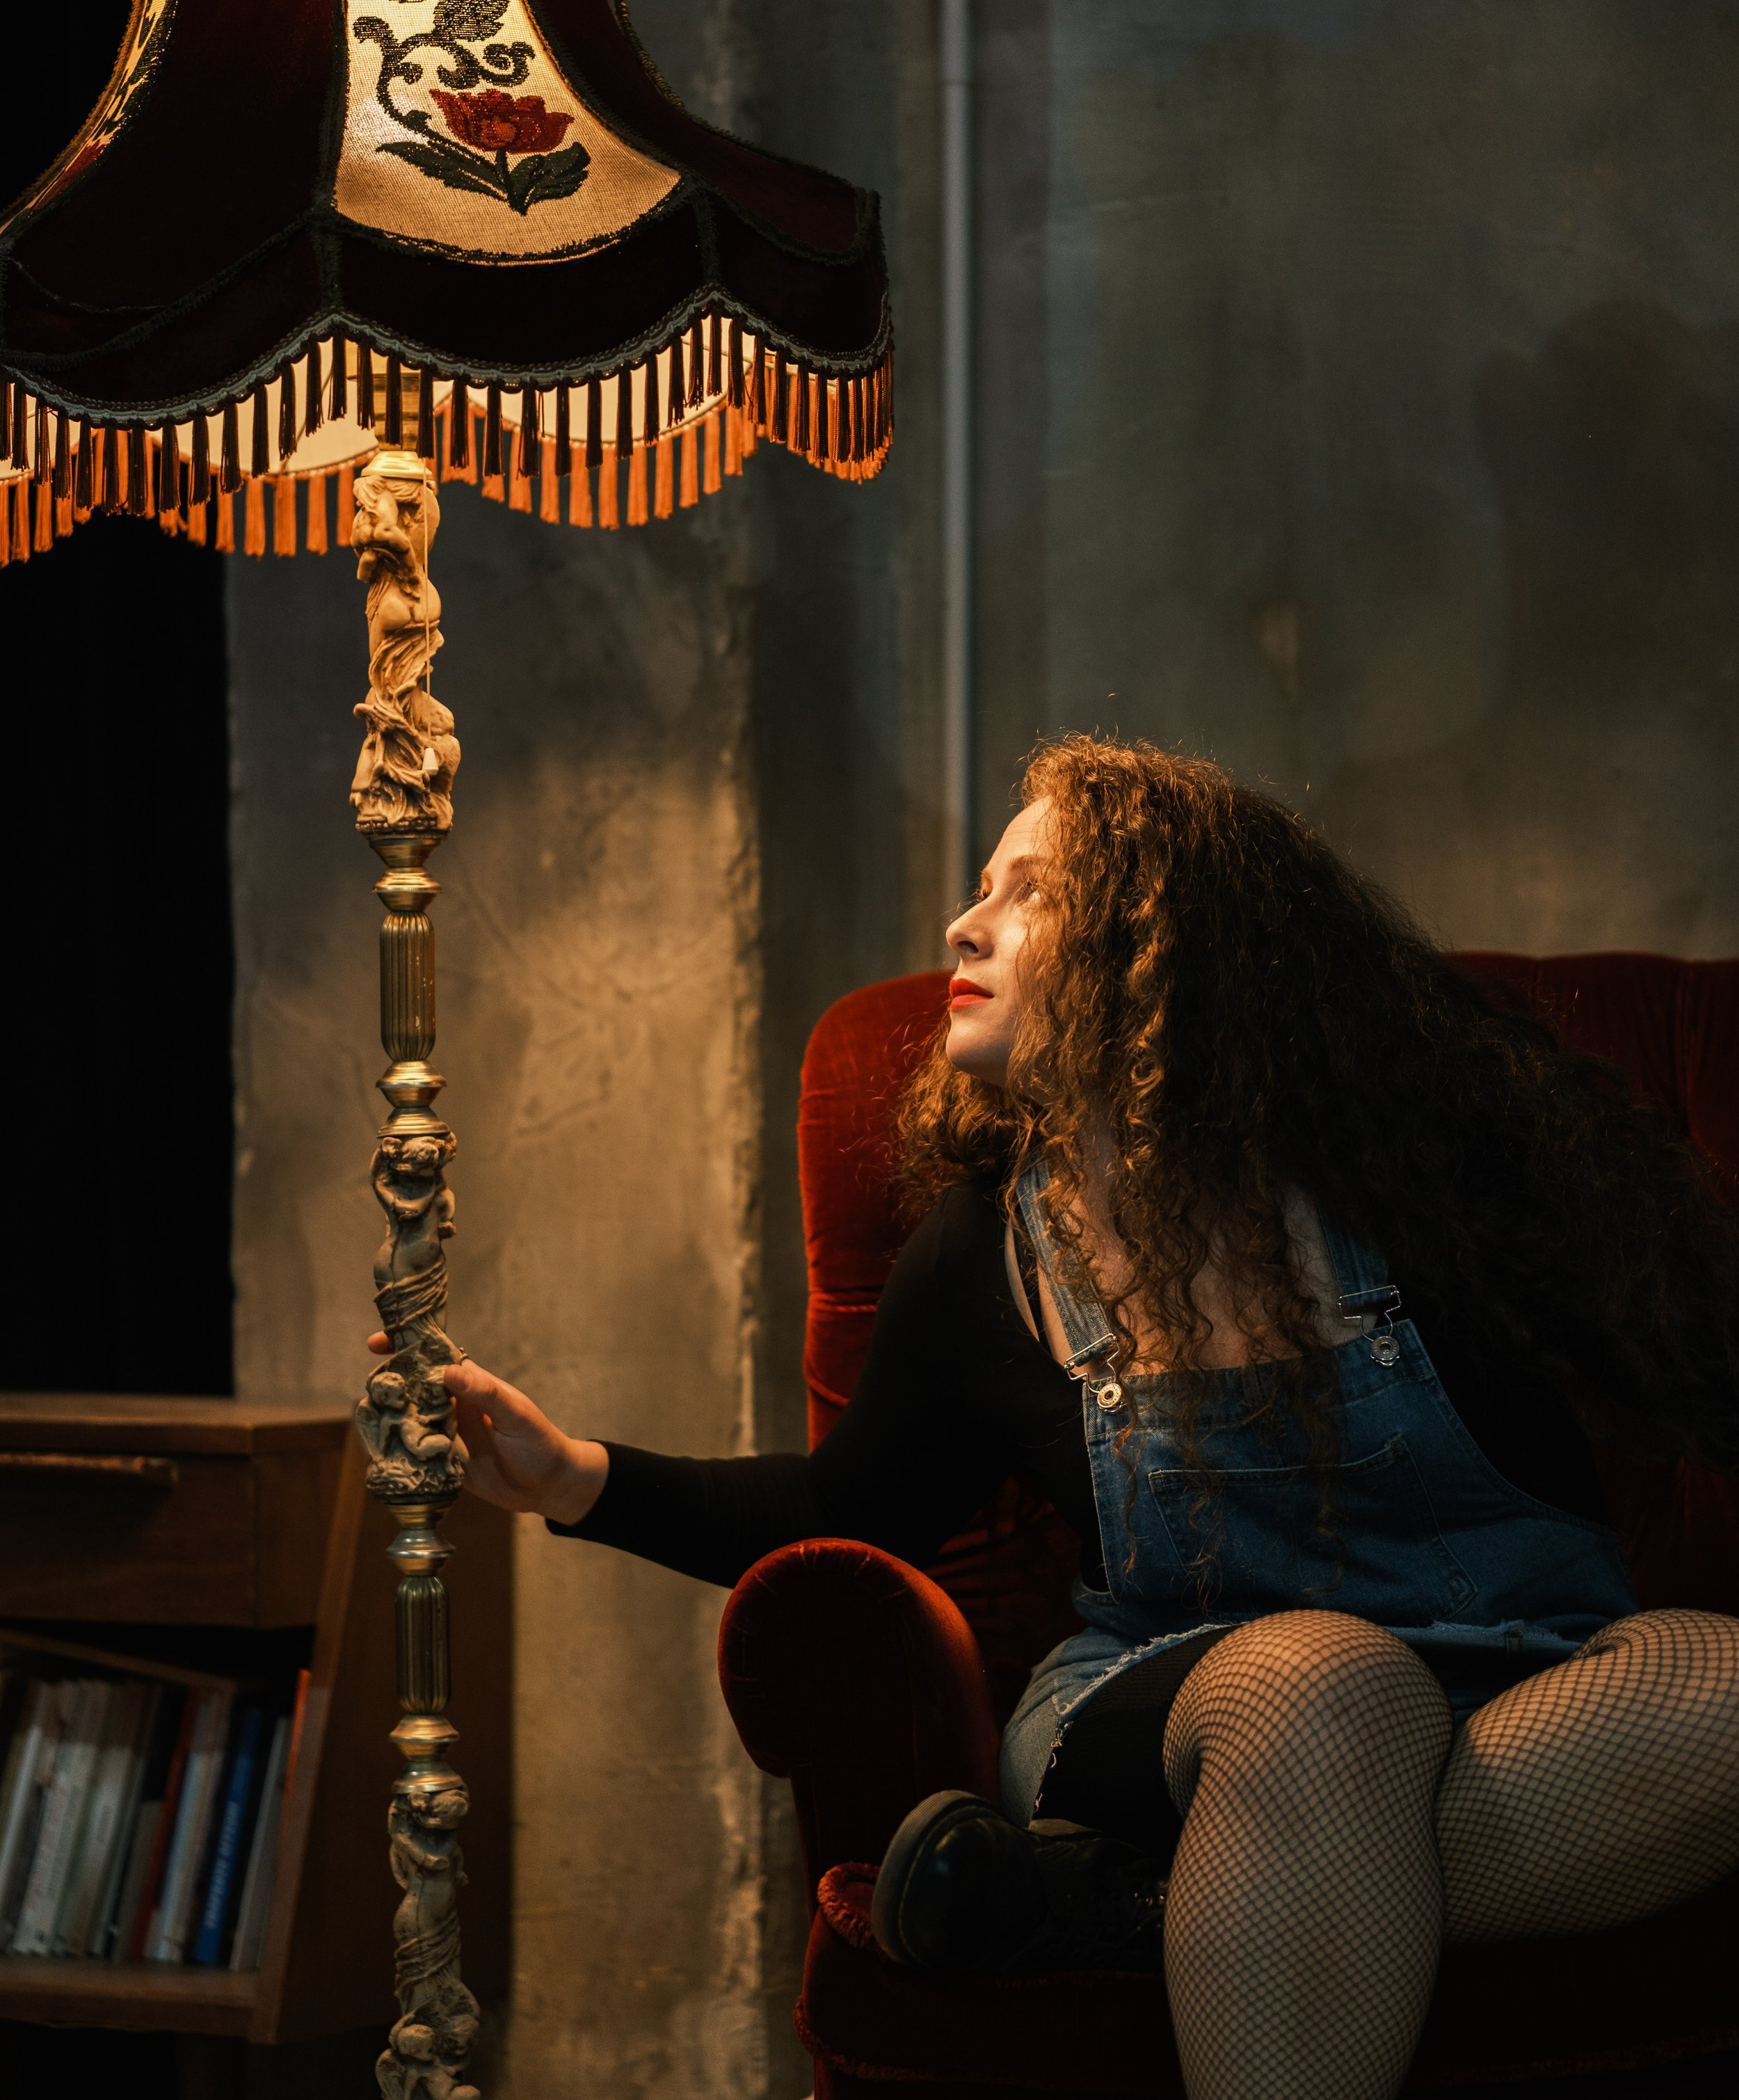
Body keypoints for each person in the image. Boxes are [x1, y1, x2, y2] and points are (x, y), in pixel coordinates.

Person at [370, 739, 1739, 2100]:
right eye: (979, 886)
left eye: (1027, 891)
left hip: (1521, 1694)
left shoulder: (1424, 1180)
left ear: (1162, 947)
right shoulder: (987, 1256)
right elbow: (845, 1516)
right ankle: (1238, 1854)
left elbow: (1701, 1360)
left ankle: (1130, 1911)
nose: (963, 923)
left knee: (1717, 1687)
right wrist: (573, 1477)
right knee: (1325, 1680)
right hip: (1185, 1711)